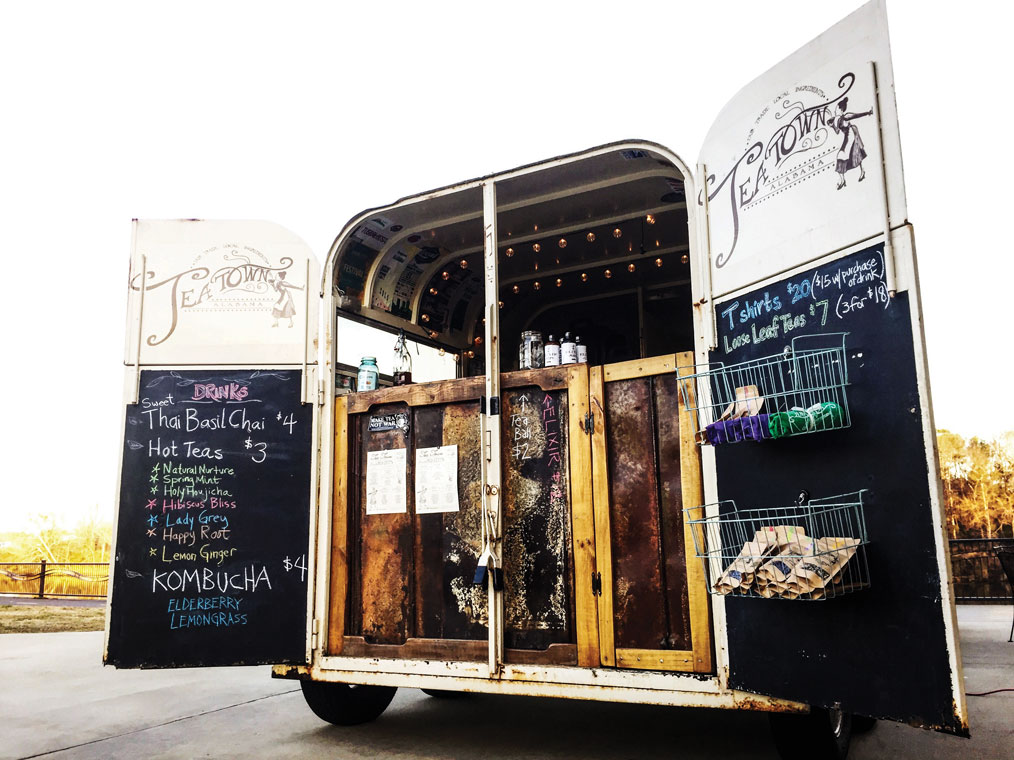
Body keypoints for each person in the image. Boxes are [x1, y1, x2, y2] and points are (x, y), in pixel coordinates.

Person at [830, 97, 874, 190]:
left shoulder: (845, 116)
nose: (835, 110)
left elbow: (856, 115)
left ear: (840, 109)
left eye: (836, 109)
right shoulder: (837, 119)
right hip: (847, 139)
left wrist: (868, 113)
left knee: (842, 156)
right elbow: (837, 132)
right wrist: (832, 125)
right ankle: (861, 172)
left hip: (850, 138)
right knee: (856, 154)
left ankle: (843, 180)